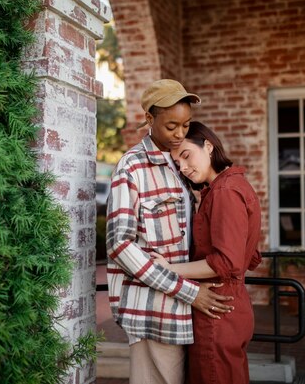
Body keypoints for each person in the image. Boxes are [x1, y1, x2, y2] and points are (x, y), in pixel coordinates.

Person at [106, 80, 234, 384]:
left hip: (187, 310)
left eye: (186, 125)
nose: (179, 134)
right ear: (150, 120)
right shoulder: (131, 168)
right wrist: (189, 292)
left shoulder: (180, 163)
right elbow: (119, 246)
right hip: (156, 311)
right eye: (171, 125)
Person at [151, 121, 263, 384]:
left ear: (209, 146)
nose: (184, 168)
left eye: (187, 156)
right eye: (177, 163)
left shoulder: (225, 191)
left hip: (217, 308)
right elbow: (251, 255)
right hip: (230, 306)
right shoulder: (232, 186)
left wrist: (168, 268)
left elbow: (227, 262)